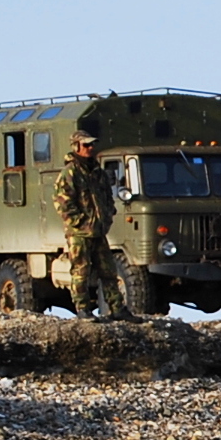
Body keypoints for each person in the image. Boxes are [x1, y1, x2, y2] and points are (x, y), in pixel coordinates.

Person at [53, 130, 136, 321]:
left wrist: (107, 216)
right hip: (79, 234)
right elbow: (62, 204)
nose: (91, 148)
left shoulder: (97, 172)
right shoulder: (70, 173)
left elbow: (107, 197)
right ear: (76, 147)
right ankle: (83, 309)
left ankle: (117, 309)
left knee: (108, 271)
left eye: (92, 145)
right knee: (80, 271)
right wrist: (80, 223)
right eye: (86, 145)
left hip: (98, 231)